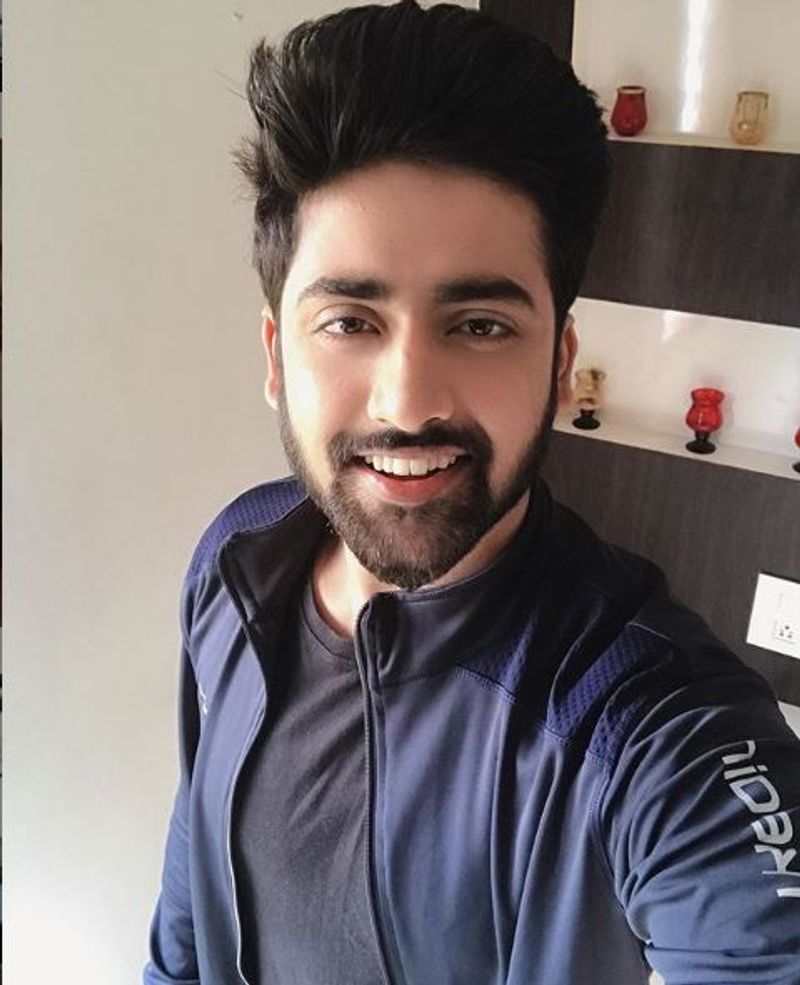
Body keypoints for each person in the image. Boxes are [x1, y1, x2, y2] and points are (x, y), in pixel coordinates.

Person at [144, 3, 800, 983]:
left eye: (480, 324)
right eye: (350, 321)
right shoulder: (237, 559)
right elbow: (194, 883)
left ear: (559, 363)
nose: (408, 402)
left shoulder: (646, 718)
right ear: (277, 356)